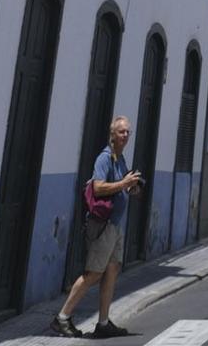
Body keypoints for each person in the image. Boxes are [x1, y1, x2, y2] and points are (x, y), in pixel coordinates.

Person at [53, 116, 143, 339]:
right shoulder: (104, 158)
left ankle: (103, 322)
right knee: (93, 273)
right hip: (103, 226)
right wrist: (123, 184)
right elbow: (99, 186)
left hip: (115, 226)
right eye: (121, 132)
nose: (125, 136)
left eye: (128, 132)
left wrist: (131, 188)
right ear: (112, 134)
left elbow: (119, 186)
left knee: (112, 270)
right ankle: (62, 318)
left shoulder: (119, 158)